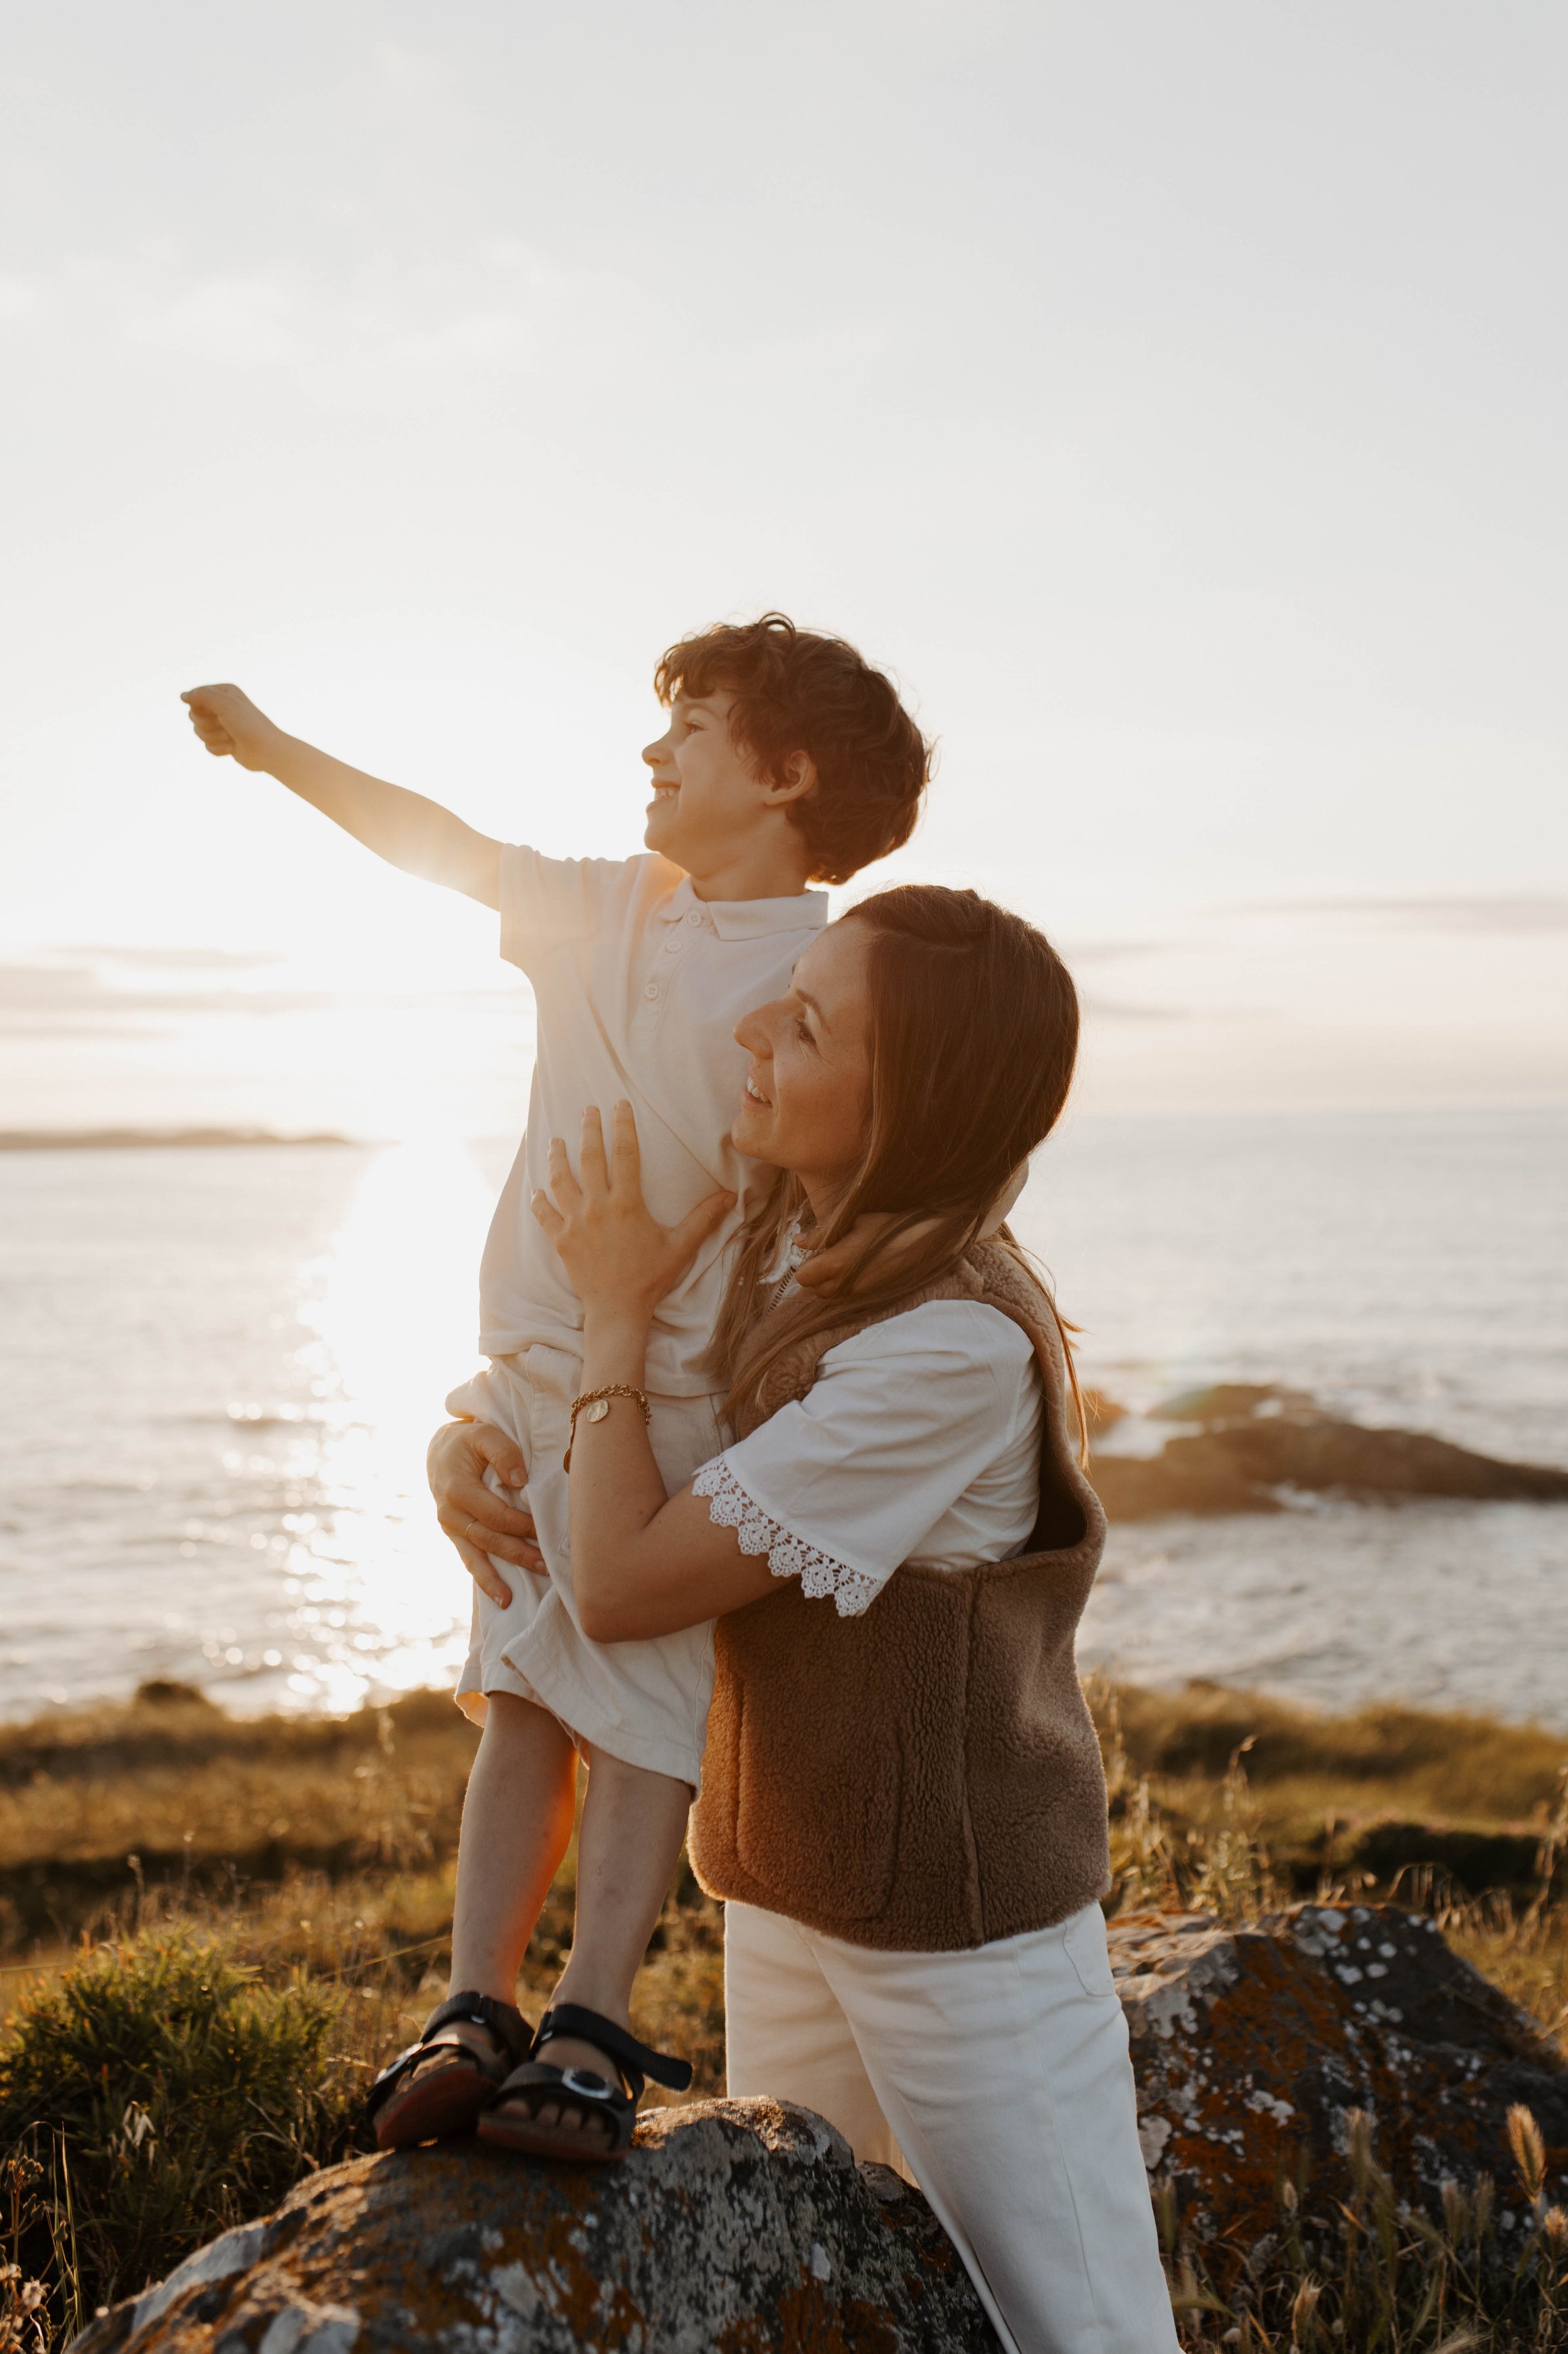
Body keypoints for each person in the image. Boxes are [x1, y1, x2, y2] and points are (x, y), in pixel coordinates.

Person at [180, 616, 930, 2158]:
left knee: (647, 1716)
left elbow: (852, 1199)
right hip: (530, 1370)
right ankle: (474, 2004)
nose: (654, 750)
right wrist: (271, 747)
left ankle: (591, 2020)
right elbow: (438, 845)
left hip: (672, 1395)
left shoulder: (825, 978)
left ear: (785, 775)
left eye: (696, 728)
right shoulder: (609, 908)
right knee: (521, 1699)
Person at [443, 882, 1179, 2354]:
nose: (748, 1028)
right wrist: (466, 1426)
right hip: (781, 1879)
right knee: (820, 2297)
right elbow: (645, 1387)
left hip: (961, 1939)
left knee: (1079, 2329)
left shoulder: (950, 1348)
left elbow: (626, 1580)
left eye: (805, 1020)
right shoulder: (785, 1225)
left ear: (905, 1100)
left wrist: (604, 1317)